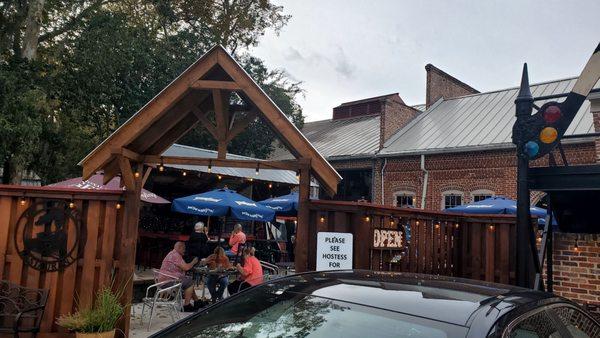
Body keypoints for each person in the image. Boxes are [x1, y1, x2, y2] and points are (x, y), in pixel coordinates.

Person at [159, 241, 199, 312]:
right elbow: (186, 267)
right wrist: (194, 262)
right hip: (168, 282)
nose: (185, 250)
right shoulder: (176, 255)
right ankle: (187, 306)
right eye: (184, 248)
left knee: (187, 281)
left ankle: (197, 301)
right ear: (179, 247)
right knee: (190, 282)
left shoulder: (172, 253)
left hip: (164, 281)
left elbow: (183, 266)